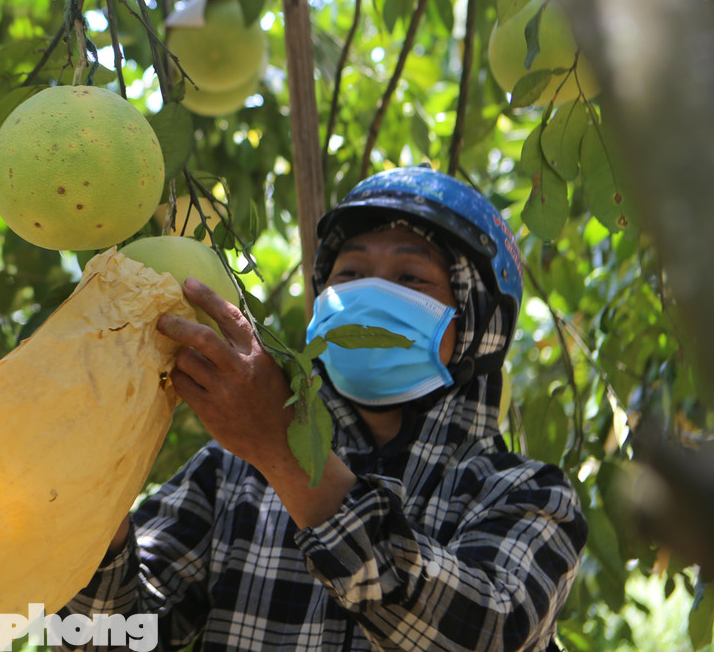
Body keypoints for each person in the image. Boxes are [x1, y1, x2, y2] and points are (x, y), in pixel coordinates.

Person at [61, 166, 587, 651]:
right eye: (350, 273)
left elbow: (485, 632)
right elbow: (103, 638)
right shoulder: (230, 476)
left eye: (411, 278)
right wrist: (93, 500)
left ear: (477, 326)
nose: (370, 293)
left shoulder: (528, 495)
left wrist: (282, 449)